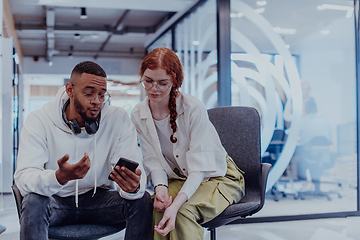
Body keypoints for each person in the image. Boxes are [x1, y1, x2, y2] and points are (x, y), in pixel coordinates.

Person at [14, 61, 153, 240]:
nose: (96, 102)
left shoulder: (118, 119)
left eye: (102, 95)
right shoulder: (39, 120)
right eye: (89, 94)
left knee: (142, 200)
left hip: (99, 202)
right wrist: (58, 177)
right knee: (34, 201)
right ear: (70, 90)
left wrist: (133, 188)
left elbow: (133, 175)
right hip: (56, 201)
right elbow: (23, 177)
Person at [131, 47, 245, 240]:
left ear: (175, 82)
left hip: (218, 177)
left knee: (182, 212)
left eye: (162, 83)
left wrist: (175, 206)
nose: (154, 89)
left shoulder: (193, 108)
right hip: (180, 179)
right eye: (148, 81)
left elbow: (199, 170)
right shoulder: (138, 114)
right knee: (157, 208)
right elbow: (153, 161)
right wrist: (161, 191)